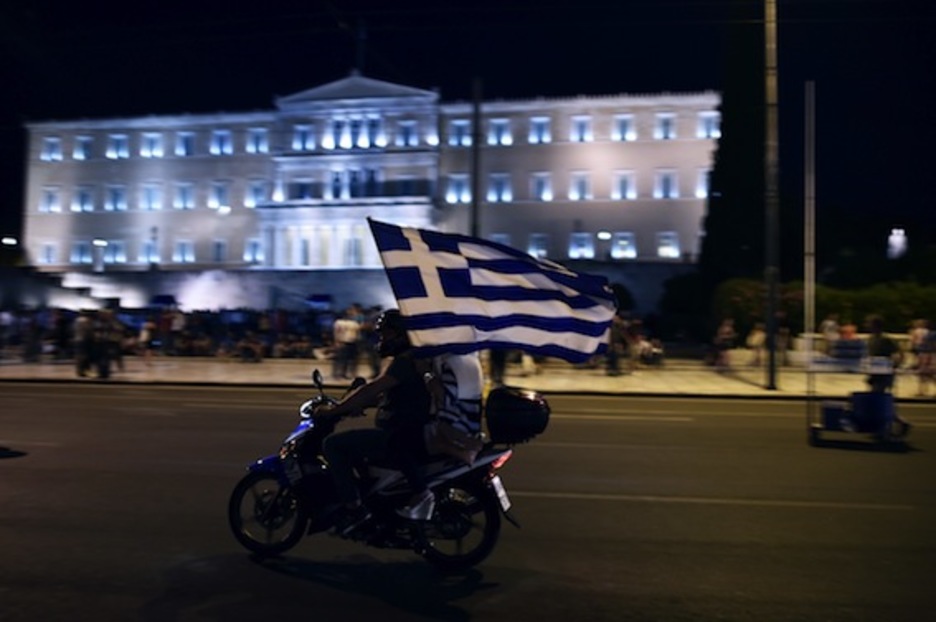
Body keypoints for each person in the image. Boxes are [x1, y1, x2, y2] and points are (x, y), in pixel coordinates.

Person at [316, 309, 434, 534]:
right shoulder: (414, 360)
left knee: (333, 445)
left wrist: (336, 410)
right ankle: (372, 499)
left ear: (401, 335)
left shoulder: (404, 361)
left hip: (398, 437)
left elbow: (373, 388)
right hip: (407, 433)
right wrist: (360, 406)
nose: (382, 340)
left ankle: (354, 508)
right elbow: (393, 396)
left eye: (386, 334)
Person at [423, 351, 485, 464]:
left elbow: (443, 396)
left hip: (456, 430)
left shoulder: (455, 362)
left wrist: (426, 373)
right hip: (468, 427)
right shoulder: (469, 359)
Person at [865, 315, 911, 437]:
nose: (867, 325)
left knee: (880, 400)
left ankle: (887, 426)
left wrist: (895, 366)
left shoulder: (886, 339)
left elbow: (900, 353)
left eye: (869, 323)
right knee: (877, 400)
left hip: (884, 373)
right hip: (874, 372)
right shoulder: (871, 339)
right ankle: (890, 424)